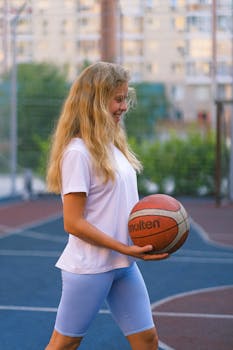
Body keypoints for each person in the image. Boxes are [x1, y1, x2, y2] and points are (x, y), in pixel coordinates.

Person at [45, 62, 168, 350]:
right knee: (64, 344)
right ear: (96, 102)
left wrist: (136, 240)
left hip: (123, 265)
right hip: (90, 268)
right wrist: (124, 247)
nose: (124, 106)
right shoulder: (77, 153)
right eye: (118, 99)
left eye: (125, 98)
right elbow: (72, 223)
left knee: (148, 340)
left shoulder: (111, 145)